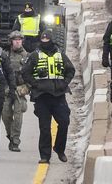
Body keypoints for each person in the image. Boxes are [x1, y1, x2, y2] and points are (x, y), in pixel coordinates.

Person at [23, 29, 74, 165]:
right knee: (45, 127)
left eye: (47, 41)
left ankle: (59, 148)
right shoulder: (34, 55)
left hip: (58, 95)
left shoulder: (60, 54)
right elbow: (25, 73)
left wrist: (64, 83)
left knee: (64, 122)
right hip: (41, 96)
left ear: (51, 41)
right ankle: (45, 156)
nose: (45, 43)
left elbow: (71, 70)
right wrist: (36, 85)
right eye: (43, 41)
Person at [1, 31, 31, 152]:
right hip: (7, 88)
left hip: (20, 88)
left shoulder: (27, 56)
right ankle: (10, 134)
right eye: (15, 39)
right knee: (5, 114)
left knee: (18, 115)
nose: (18, 41)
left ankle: (15, 141)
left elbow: (31, 75)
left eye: (19, 39)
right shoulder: (5, 54)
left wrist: (25, 88)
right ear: (11, 41)